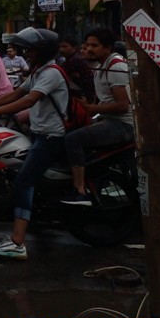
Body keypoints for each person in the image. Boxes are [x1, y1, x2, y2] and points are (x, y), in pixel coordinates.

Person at [0, 28, 69, 260]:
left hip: (51, 137)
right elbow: (16, 93)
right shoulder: (39, 72)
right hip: (39, 134)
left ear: (43, 50)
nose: (26, 53)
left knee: (24, 180)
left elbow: (27, 100)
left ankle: (18, 241)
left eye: (30, 49)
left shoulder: (52, 73)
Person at [60, 28, 134, 206]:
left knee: (73, 139)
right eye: (87, 45)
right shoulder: (101, 66)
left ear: (108, 47)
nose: (90, 49)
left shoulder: (115, 66)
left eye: (95, 45)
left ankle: (79, 191)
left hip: (122, 124)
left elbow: (122, 105)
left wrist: (91, 107)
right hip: (108, 119)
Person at [57, 35, 96, 102]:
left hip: (84, 97)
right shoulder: (68, 59)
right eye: (60, 47)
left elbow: (60, 75)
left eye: (65, 46)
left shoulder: (75, 60)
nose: (61, 49)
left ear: (74, 47)